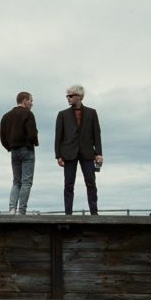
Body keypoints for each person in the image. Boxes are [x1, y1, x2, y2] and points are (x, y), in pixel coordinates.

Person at [54, 85, 103, 215]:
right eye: (67, 96)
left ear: (79, 96)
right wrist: (58, 155)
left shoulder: (92, 113)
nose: (68, 98)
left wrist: (98, 153)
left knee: (91, 183)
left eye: (70, 96)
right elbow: (58, 136)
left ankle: (94, 213)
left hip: (87, 153)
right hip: (68, 153)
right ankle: (68, 214)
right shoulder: (62, 114)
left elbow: (96, 134)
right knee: (68, 184)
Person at [0, 91, 39, 215]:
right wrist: (34, 142)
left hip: (14, 151)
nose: (32, 104)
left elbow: (2, 136)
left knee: (16, 181)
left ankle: (12, 209)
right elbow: (32, 133)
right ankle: (21, 211)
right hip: (26, 149)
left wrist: (9, 147)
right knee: (26, 181)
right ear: (24, 100)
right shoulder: (28, 114)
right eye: (31, 101)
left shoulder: (6, 116)